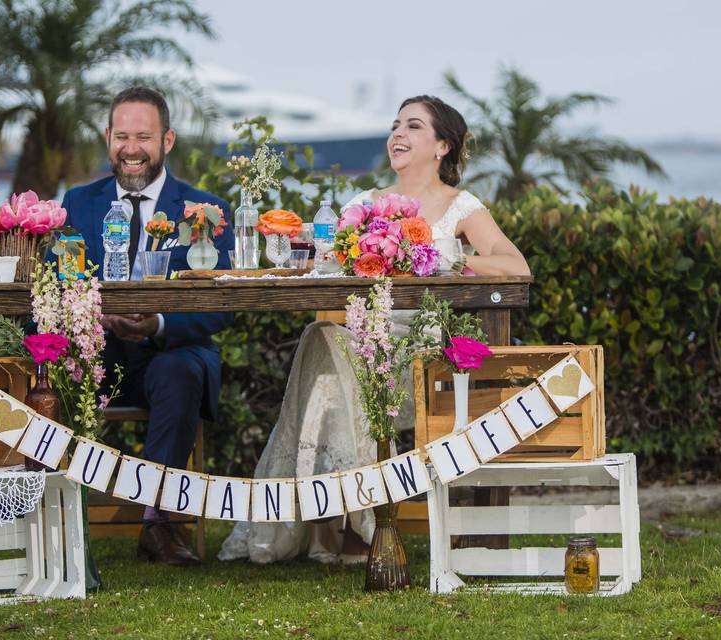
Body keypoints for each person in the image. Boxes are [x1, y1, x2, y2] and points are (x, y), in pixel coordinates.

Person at [218, 95, 530, 564]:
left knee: (328, 355)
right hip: (363, 344)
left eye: (413, 126)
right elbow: (330, 269)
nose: (397, 135)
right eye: (395, 125)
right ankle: (351, 520)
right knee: (320, 339)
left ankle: (344, 524)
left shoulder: (460, 208)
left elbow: (516, 266)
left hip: (418, 360)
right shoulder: (363, 206)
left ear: (443, 146)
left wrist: (449, 258)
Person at [60, 86, 234, 566]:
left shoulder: (207, 210)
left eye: (144, 136)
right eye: (121, 136)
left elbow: (222, 306)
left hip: (167, 353)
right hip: (99, 352)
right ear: (107, 138)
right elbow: (61, 282)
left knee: (181, 372)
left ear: (168, 140)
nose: (131, 149)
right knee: (46, 371)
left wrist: (156, 323)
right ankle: (52, 516)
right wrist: (92, 317)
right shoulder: (77, 203)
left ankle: (158, 523)